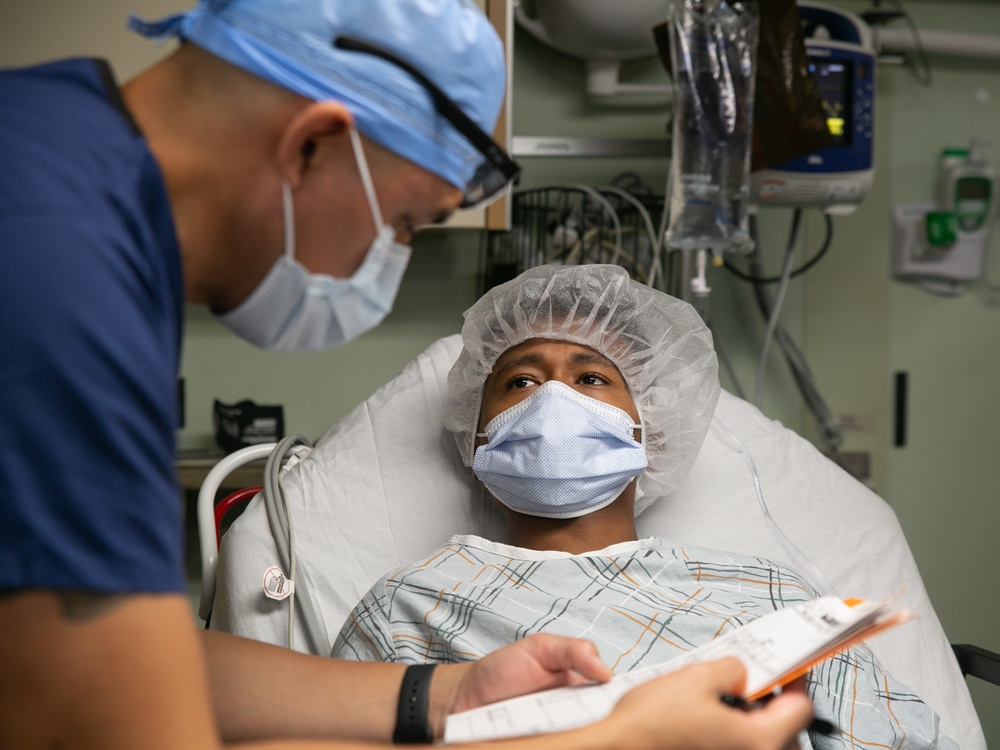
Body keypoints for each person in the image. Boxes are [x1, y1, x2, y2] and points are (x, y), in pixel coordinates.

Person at [0, 0, 815, 748]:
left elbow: (139, 664)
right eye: (404, 223)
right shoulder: (58, 278)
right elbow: (110, 721)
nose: (384, 268)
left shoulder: (55, 157)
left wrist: (445, 693)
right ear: (312, 142)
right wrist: (611, 741)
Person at [332, 264, 956, 749]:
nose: (553, 400)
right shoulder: (409, 606)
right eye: (520, 381)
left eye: (591, 378)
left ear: (649, 427)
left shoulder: (766, 596)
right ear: (478, 432)